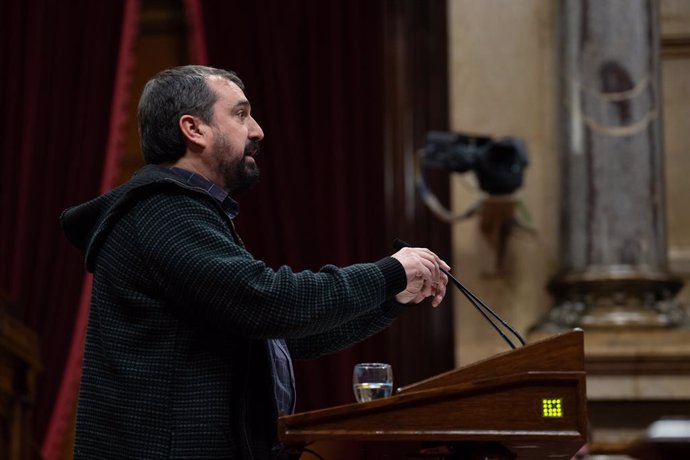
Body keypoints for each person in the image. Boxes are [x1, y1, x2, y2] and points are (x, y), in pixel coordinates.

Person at [61, 65, 449, 459]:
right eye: (241, 114)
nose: (257, 130)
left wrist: (393, 297)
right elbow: (268, 302)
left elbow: (285, 335)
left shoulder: (186, 212)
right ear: (194, 129)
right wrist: (390, 272)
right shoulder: (163, 211)